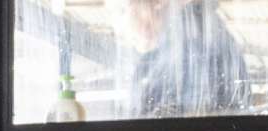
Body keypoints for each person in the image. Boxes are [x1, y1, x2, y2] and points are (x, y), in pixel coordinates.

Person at [105, 0, 249, 119]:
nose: (120, 29)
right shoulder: (195, 39)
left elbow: (188, 125)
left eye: (122, 10)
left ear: (157, 2)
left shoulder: (192, 47)